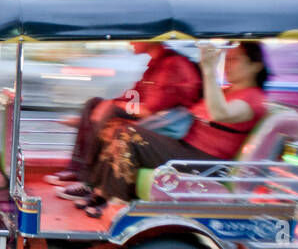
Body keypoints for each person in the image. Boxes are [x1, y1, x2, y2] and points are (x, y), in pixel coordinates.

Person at [74, 41, 271, 218]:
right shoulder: (227, 90)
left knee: (128, 135)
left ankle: (115, 200)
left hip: (206, 160)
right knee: (119, 128)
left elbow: (220, 114)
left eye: (234, 60)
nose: (227, 65)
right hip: (186, 145)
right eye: (226, 59)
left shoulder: (253, 99)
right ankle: (98, 190)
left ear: (256, 65)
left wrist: (209, 71)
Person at [54, 41, 201, 198]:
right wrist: (107, 104)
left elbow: (148, 110)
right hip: (151, 118)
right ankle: (77, 169)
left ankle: (89, 181)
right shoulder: (155, 64)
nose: (130, 42)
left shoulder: (174, 65)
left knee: (112, 111)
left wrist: (113, 105)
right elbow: (135, 95)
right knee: (94, 103)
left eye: (136, 38)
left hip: (164, 126)